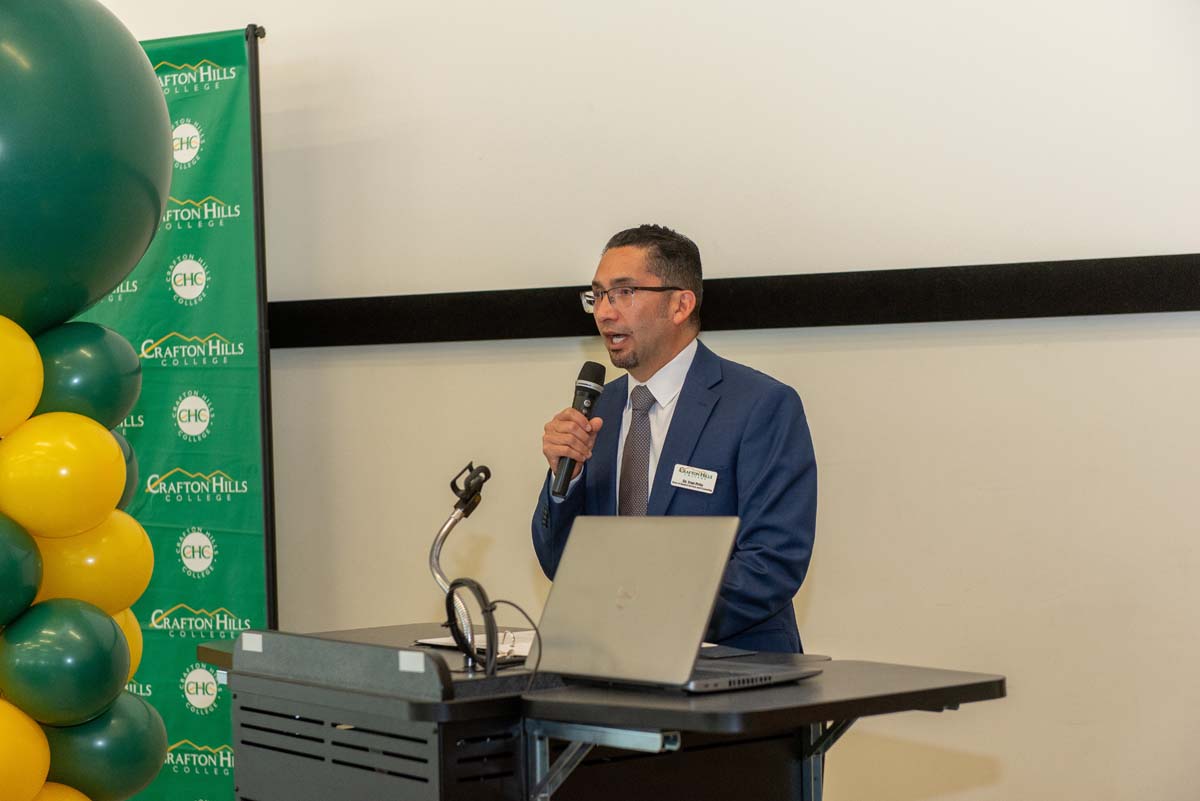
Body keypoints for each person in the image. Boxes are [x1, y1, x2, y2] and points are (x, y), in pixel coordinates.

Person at [531, 224, 818, 653]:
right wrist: (564, 482)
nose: (605, 313)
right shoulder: (597, 412)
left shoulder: (760, 406)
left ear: (681, 304)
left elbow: (771, 563)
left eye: (624, 292)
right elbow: (561, 563)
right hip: (611, 664)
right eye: (598, 295)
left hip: (733, 674)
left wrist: (649, 621)